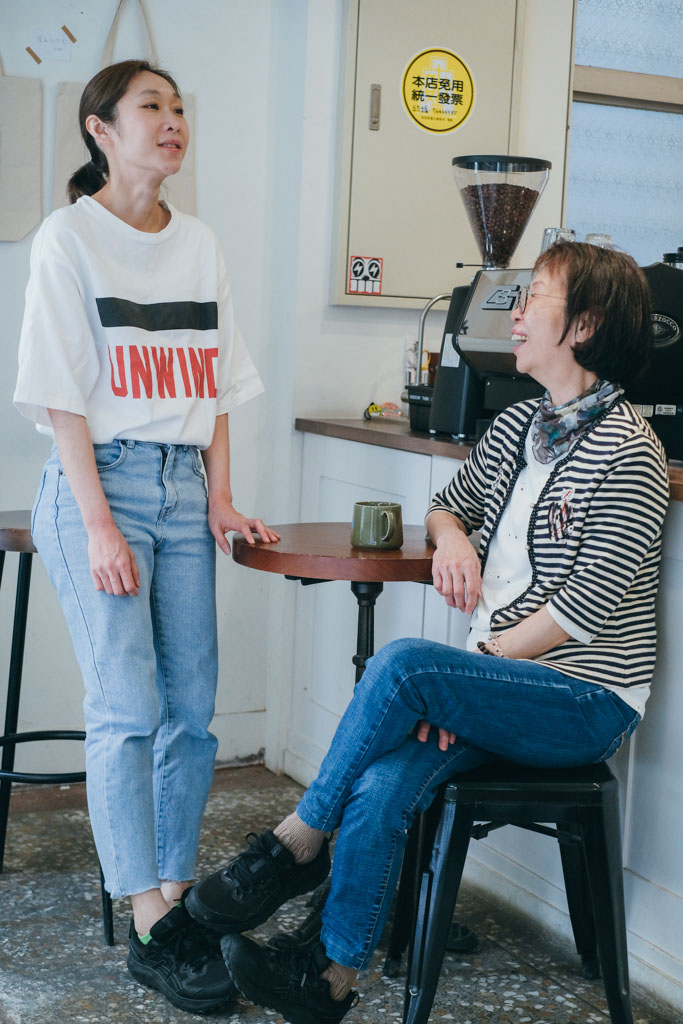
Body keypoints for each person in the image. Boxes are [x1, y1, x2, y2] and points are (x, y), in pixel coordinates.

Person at [185, 242, 670, 1024]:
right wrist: (453, 544)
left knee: (408, 664)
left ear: (583, 324)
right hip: (505, 684)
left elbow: (582, 610)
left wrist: (465, 683)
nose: (514, 315)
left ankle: (294, 842)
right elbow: (447, 505)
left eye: (534, 298)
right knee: (381, 786)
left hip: (584, 701)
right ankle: (328, 979)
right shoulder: (519, 426)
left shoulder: (629, 453)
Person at [14, 59, 279, 1015]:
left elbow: (214, 387)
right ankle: (149, 922)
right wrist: (96, 524)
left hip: (179, 490)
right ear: (101, 129)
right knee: (127, 708)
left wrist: (220, 497)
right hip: (100, 486)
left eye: (178, 108)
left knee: (191, 713)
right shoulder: (68, 237)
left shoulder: (198, 243)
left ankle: (173, 898)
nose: (172, 122)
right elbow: (60, 395)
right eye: (151, 107)